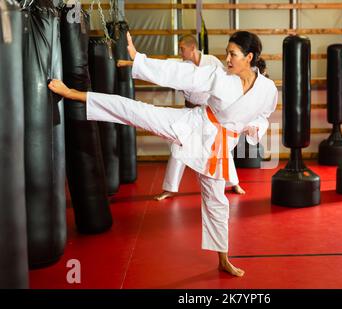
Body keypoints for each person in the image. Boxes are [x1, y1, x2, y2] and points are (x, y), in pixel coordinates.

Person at [48, 31, 278, 277]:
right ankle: (73, 93)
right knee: (137, 111)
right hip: (193, 125)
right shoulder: (219, 76)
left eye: (232, 54)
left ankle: (223, 259)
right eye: (227, 53)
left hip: (218, 148)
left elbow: (263, 115)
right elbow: (180, 74)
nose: (227, 58)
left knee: (217, 203)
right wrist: (139, 59)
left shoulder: (267, 90)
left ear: (249, 57)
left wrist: (255, 128)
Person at [155, 34, 246, 201]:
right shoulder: (183, 67)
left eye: (182, 49)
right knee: (179, 147)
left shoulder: (211, 62)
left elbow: (228, 80)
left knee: (221, 148)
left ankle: (233, 183)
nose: (181, 52)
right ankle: (170, 188)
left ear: (192, 48)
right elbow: (167, 72)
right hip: (190, 113)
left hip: (210, 114)